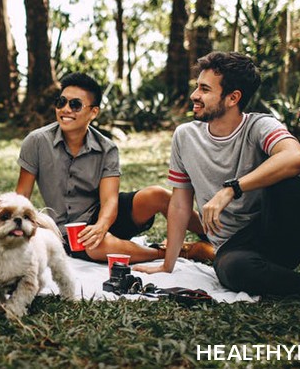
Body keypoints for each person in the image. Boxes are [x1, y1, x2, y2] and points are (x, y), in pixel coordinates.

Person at [134, 51, 300, 308]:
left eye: (205, 89)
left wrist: (232, 189)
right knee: (233, 271)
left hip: (278, 233)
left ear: (233, 97)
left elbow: (297, 158)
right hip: (234, 249)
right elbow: (181, 205)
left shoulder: (259, 125)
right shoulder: (185, 136)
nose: (194, 94)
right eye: (197, 86)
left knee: (289, 183)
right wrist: (167, 265)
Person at [16, 72, 204, 263]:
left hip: (104, 216)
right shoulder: (36, 142)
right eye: (61, 102)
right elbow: (21, 197)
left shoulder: (107, 148)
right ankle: (178, 252)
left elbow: (109, 201)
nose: (65, 109)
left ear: (93, 112)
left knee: (158, 194)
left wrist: (101, 226)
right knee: (96, 246)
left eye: (75, 105)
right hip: (67, 231)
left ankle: (214, 237)